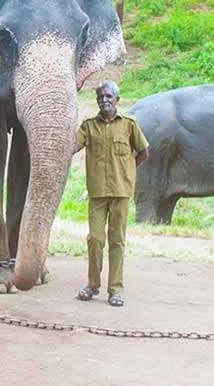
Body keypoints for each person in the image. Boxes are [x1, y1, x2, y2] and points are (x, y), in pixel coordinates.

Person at [75, 81, 148, 307]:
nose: (103, 99)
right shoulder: (88, 126)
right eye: (100, 96)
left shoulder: (128, 125)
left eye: (108, 96)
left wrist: (128, 171)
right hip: (97, 192)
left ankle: (115, 289)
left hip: (121, 192)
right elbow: (72, 146)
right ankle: (93, 284)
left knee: (117, 240)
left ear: (116, 99)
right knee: (95, 239)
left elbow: (144, 151)